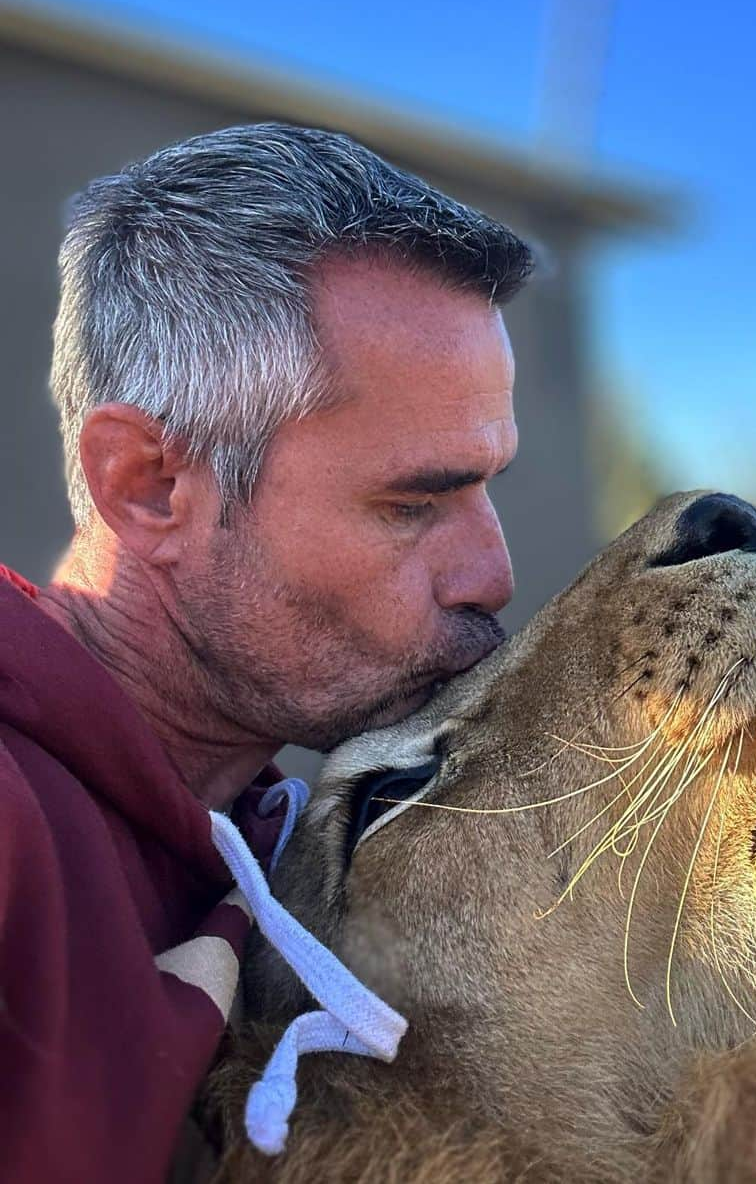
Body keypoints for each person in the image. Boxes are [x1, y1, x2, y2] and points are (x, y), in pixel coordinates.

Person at [0, 123, 533, 1183]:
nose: (493, 575)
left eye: (488, 487)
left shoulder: (293, 841)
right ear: (149, 485)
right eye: (411, 503)